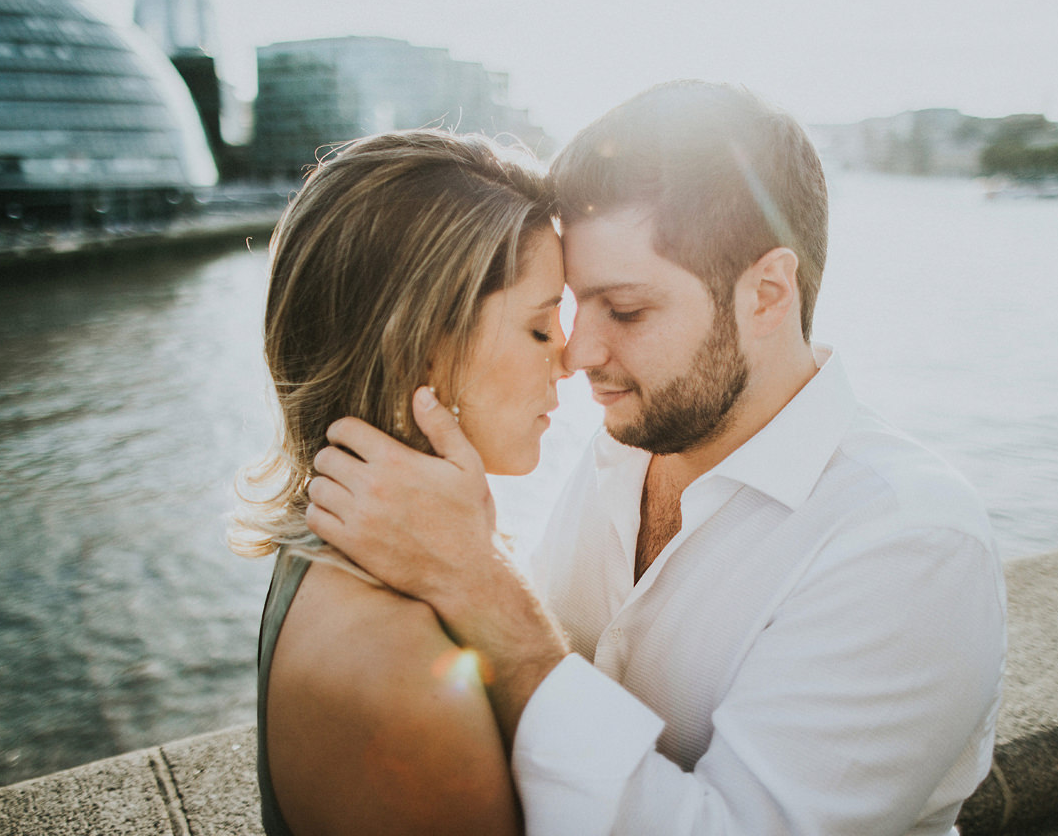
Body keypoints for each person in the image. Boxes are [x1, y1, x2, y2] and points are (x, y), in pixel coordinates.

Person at [307, 81, 1008, 835]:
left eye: (629, 310)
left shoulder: (908, 546)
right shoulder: (629, 437)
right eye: (576, 306)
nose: (577, 354)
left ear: (768, 293)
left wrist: (485, 590)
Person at [228, 129, 572, 836]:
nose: (568, 361)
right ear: (421, 346)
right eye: (541, 329)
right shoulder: (400, 671)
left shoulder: (338, 536)